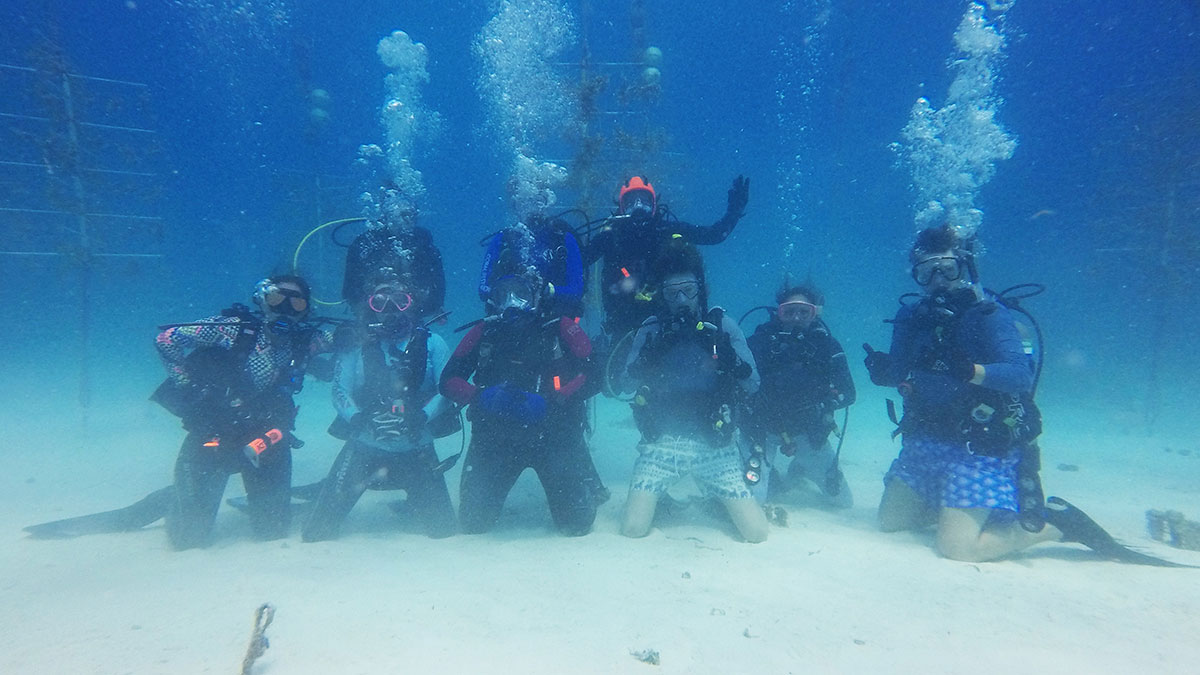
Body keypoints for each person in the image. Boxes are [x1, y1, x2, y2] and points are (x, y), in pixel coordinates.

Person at [863, 225, 1157, 563]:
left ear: (966, 267)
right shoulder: (910, 316)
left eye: (948, 268)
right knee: (891, 522)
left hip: (977, 448)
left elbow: (1020, 375)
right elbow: (903, 371)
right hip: (925, 439)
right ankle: (956, 510)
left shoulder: (988, 315)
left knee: (958, 549)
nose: (938, 280)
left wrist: (973, 372)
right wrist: (886, 372)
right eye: (927, 271)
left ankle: (1055, 522)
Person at [153, 275, 332, 550]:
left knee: (272, 530)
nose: (284, 308)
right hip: (212, 434)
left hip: (265, 440)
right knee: (188, 539)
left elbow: (350, 339)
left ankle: (253, 502)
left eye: (295, 303)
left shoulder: (306, 340)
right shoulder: (232, 330)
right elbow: (166, 339)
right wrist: (190, 388)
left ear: (306, 310)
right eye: (276, 299)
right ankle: (177, 499)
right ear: (262, 300)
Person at [619, 240, 769, 543]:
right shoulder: (651, 329)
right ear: (661, 295)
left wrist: (729, 360)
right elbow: (623, 385)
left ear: (701, 288)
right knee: (633, 528)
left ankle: (715, 497)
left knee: (756, 532)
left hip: (715, 443)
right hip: (663, 442)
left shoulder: (723, 327)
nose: (681, 299)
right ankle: (659, 498)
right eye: (672, 293)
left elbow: (752, 384)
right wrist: (649, 357)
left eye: (688, 289)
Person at [440, 258, 601, 537]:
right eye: (503, 295)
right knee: (473, 522)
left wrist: (554, 401)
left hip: (554, 436)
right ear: (493, 299)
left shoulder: (561, 328)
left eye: (521, 294)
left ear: (537, 296)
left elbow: (595, 374)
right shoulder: (483, 332)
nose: (512, 303)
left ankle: (582, 478)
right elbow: (448, 380)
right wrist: (481, 397)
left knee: (577, 523)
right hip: (496, 439)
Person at [301, 269, 458, 542]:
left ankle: (414, 502)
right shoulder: (354, 343)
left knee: (444, 531)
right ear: (369, 306)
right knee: (317, 533)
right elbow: (340, 388)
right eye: (380, 302)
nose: (390, 310)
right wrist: (357, 418)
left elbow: (447, 389)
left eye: (400, 301)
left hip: (417, 446)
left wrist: (422, 416)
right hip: (364, 446)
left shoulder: (434, 343)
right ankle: (325, 496)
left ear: (412, 303)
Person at [583, 175, 750, 340]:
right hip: (623, 321)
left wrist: (734, 211)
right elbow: (580, 260)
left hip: (668, 319)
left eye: (645, 200)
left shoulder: (666, 230)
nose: (638, 207)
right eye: (631, 202)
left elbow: (713, 235)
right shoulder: (610, 237)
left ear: (655, 203)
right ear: (621, 206)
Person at [741, 279, 855, 508]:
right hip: (761, 431)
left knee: (842, 501)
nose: (795, 318)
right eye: (789, 312)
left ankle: (801, 467)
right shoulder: (759, 342)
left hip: (807, 430)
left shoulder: (827, 346)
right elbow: (739, 384)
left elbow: (849, 393)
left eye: (804, 312)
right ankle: (769, 475)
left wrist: (825, 403)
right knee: (752, 502)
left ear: (815, 314)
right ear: (778, 312)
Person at [343, 185, 446, 317]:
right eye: (402, 214)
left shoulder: (425, 247)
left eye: (410, 214)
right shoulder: (365, 244)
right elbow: (351, 292)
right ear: (384, 214)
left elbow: (436, 295)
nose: (406, 220)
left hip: (411, 315)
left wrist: (419, 311)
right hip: (373, 316)